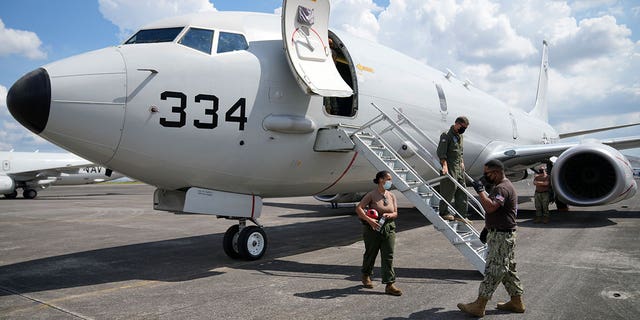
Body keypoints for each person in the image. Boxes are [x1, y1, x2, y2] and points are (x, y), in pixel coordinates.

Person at [458, 160, 525, 317]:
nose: (485, 177)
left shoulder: (502, 188)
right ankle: (516, 302)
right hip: (501, 233)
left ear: (496, 172)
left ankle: (479, 305)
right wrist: (487, 228)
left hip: (502, 236)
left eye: (487, 174)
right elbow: (497, 213)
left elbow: (490, 207)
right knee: (508, 270)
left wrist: (480, 191)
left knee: (494, 270)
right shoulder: (503, 186)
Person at [355, 170, 402, 296]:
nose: (390, 182)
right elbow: (359, 208)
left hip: (389, 227)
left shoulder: (392, 196)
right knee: (371, 253)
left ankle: (389, 284)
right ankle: (366, 275)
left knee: (388, 255)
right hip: (373, 228)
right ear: (381, 180)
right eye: (388, 179)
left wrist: (390, 214)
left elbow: (396, 212)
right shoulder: (371, 195)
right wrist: (369, 220)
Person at [437, 116, 470, 221]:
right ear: (457, 124)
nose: (463, 129)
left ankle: (461, 215)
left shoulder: (460, 136)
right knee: (449, 189)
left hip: (458, 167)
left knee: (462, 189)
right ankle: (444, 212)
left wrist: (462, 162)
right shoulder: (446, 135)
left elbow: (460, 152)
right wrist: (444, 166)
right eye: (463, 127)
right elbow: (441, 152)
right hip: (450, 165)